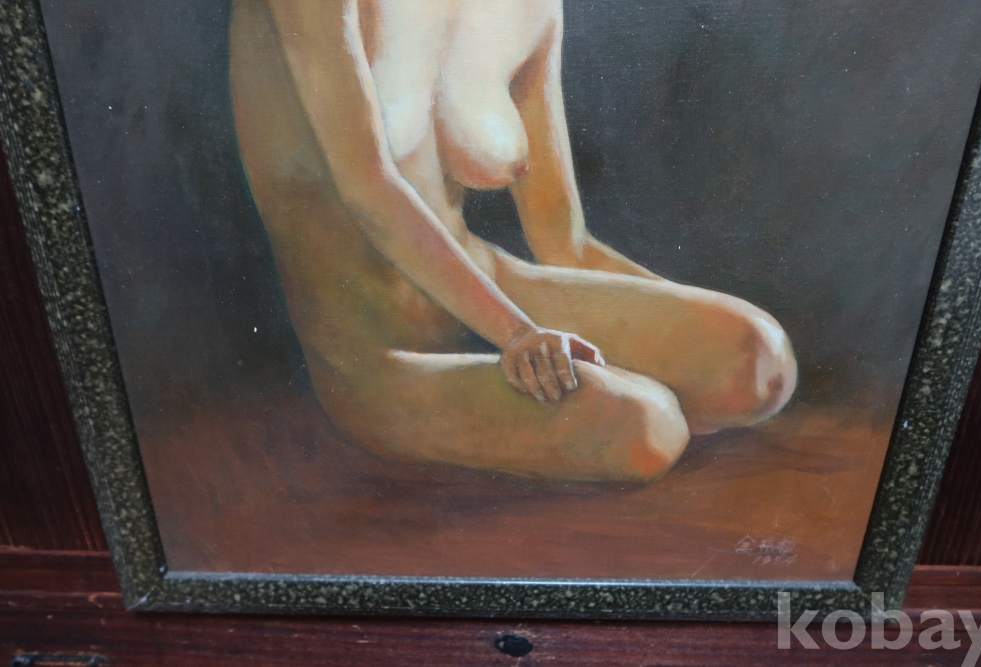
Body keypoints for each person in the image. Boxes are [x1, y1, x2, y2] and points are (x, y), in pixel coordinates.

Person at [228, 0, 797, 482]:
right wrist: (517, 333)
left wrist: (684, 325)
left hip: (498, 292)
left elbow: (563, 242)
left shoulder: (529, 8)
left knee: (757, 363)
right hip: (379, 351)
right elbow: (368, 189)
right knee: (646, 427)